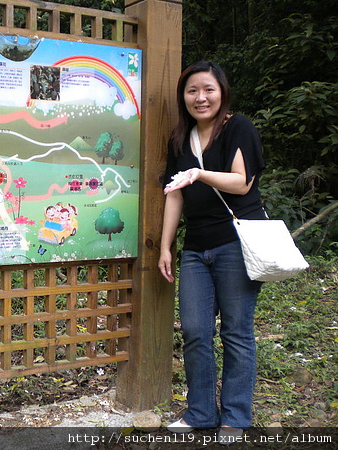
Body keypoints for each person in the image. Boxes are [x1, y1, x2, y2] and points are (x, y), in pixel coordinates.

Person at [158, 61, 266, 443]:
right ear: (183, 96)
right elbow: (175, 194)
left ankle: (235, 416)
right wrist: (166, 246)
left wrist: (201, 173)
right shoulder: (180, 138)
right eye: (192, 91)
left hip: (236, 246)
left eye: (208, 89)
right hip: (196, 249)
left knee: (236, 332)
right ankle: (201, 412)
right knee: (195, 332)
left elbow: (241, 182)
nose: (200, 97)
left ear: (222, 92)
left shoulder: (239, 127)